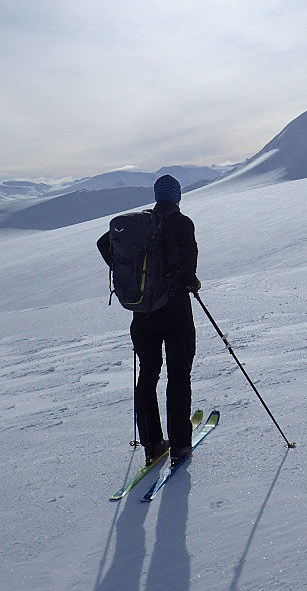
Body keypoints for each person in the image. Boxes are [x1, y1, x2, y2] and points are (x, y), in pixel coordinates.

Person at [97, 174, 201, 465]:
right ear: (178, 196)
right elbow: (189, 264)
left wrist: (128, 277)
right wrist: (189, 282)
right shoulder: (181, 223)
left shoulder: (141, 225)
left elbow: (104, 243)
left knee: (148, 374)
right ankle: (180, 444)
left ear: (157, 196)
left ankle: (152, 443)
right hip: (174, 310)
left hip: (142, 313)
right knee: (179, 375)